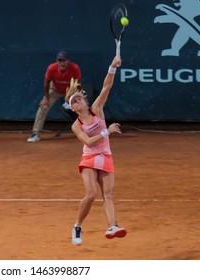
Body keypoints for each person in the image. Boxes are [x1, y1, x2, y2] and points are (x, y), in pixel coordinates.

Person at [65, 56, 127, 246]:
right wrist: (106, 131)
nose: (77, 102)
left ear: (84, 100)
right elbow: (89, 142)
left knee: (108, 194)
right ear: (73, 108)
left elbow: (106, 86)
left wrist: (112, 67)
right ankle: (77, 226)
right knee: (91, 194)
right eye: (73, 102)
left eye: (79, 99)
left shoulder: (97, 109)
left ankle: (112, 226)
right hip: (90, 157)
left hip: (106, 156)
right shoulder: (76, 126)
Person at [27, 51, 82, 143]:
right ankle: (36, 134)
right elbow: (46, 83)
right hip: (55, 90)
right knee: (43, 107)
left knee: (82, 107)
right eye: (59, 60)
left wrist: (78, 96)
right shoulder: (51, 68)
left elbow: (78, 83)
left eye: (64, 60)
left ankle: (89, 130)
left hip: (70, 90)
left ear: (68, 61)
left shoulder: (75, 68)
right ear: (57, 61)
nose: (62, 63)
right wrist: (46, 98)